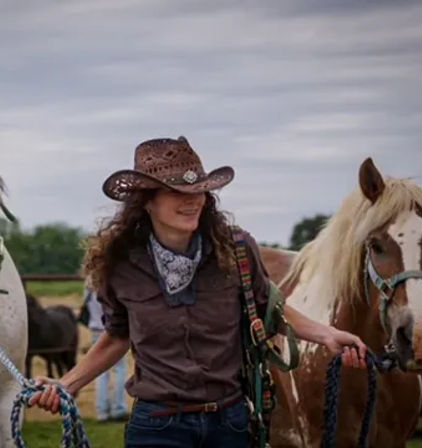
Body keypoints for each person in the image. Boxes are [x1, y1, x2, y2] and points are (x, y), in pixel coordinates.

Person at [29, 137, 367, 447]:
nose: (192, 201)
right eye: (177, 192)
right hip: (158, 426)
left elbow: (271, 311)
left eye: (199, 191)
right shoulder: (121, 265)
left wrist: (328, 335)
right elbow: (118, 337)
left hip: (230, 423)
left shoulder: (235, 249)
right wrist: (67, 384)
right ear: (147, 201)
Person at [83, 285, 129, 421]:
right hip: (112, 330)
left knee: (100, 373)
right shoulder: (111, 285)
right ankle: (118, 408)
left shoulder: (88, 288)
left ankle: (102, 411)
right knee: (120, 369)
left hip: (96, 331)